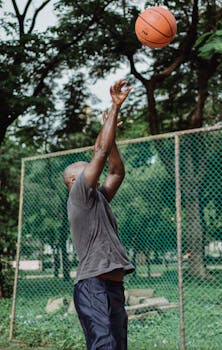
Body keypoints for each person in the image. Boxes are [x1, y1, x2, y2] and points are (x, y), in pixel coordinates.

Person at [64, 80, 135, 350]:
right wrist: (115, 107)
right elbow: (100, 153)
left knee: (118, 346)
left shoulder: (98, 199)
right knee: (104, 346)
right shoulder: (79, 196)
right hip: (92, 287)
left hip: (112, 287)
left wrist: (110, 136)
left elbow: (116, 171)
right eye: (87, 169)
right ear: (74, 180)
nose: (92, 170)